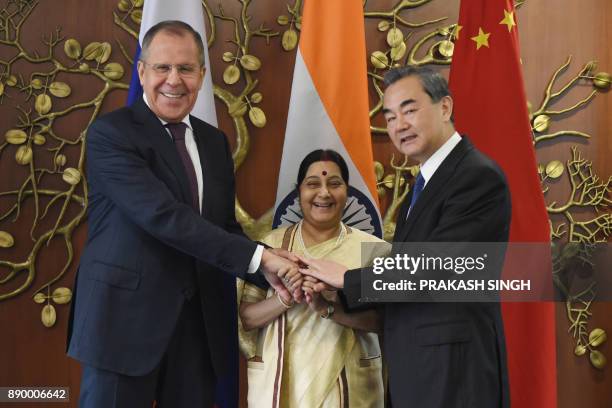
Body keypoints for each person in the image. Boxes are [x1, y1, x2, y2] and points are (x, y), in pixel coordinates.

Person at [67, 20, 301, 408]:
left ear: (202, 75)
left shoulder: (214, 142)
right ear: (142, 72)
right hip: (123, 325)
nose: (174, 80)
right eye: (162, 67)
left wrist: (270, 268)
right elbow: (163, 217)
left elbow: (223, 227)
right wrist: (263, 258)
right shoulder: (112, 135)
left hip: (198, 331)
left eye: (186, 69)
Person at [299, 67, 512, 407]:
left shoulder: (476, 176)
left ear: (445, 107)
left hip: (455, 373)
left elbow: (437, 268)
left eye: (410, 110)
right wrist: (337, 299)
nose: (399, 125)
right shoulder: (426, 182)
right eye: (390, 116)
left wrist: (347, 278)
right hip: (420, 370)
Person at [238, 150, 389, 407]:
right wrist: (285, 298)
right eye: (313, 184)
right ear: (298, 192)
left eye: (334, 184)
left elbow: (386, 322)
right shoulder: (271, 248)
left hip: (350, 385)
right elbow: (247, 319)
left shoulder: (375, 250)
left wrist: (330, 306)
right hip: (284, 381)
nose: (324, 193)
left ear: (347, 191)